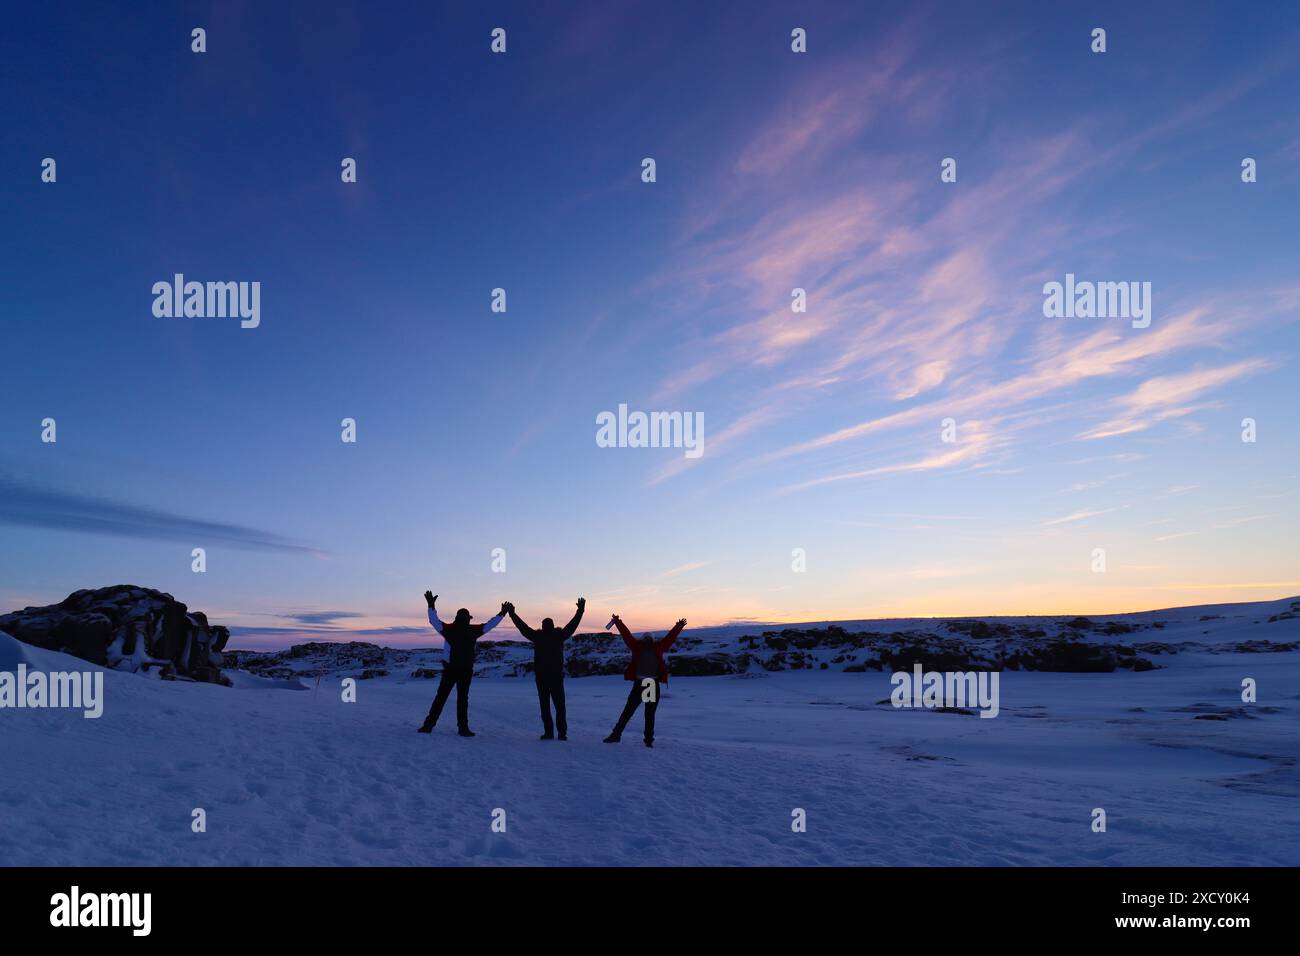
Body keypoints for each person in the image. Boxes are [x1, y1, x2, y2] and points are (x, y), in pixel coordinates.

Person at [417, 591, 506, 737]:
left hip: (452, 670)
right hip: (463, 670)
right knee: (461, 699)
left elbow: (434, 621)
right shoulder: (472, 630)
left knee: (442, 698)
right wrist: (501, 614)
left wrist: (431, 606)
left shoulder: (450, 630)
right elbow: (490, 625)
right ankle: (462, 728)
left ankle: (429, 725)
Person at [504, 598, 585, 740]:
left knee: (546, 706)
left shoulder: (538, 636)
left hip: (543, 677)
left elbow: (523, 628)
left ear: (543, 626)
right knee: (558, 706)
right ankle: (561, 733)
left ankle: (550, 732)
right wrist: (580, 611)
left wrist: (512, 614)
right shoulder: (558, 635)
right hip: (553, 677)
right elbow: (572, 625)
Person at [603, 615, 686, 748]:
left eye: (649, 638)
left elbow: (670, 638)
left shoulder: (649, 647)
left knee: (643, 714)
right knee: (633, 712)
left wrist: (679, 626)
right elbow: (626, 635)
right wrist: (618, 622)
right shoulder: (641, 647)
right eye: (646, 638)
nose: (647, 640)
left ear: (651, 640)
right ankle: (624, 736)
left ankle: (640, 739)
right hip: (645, 684)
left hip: (648, 684)